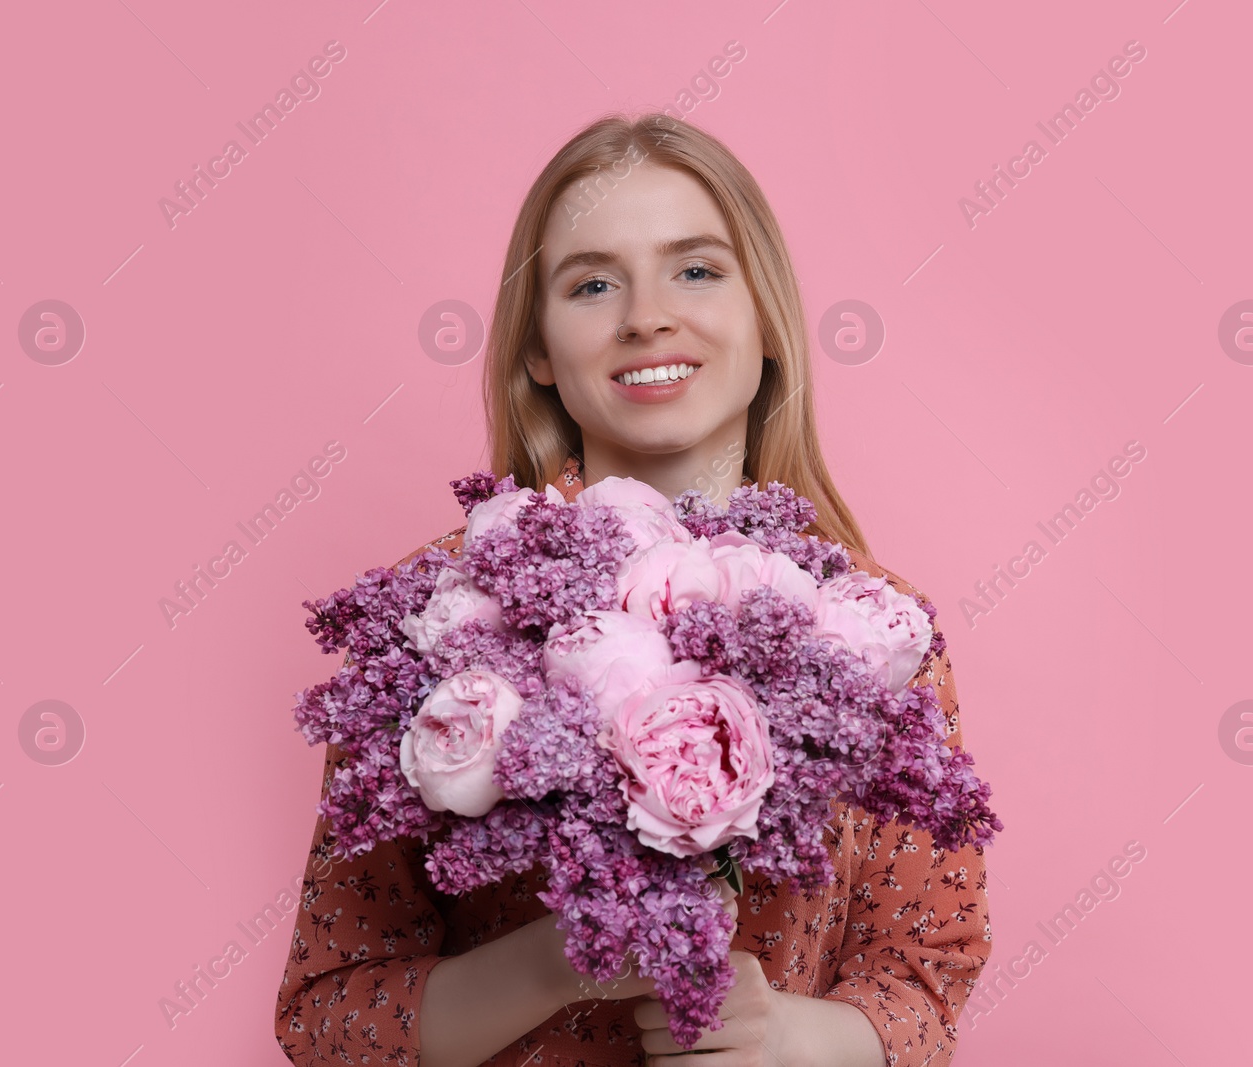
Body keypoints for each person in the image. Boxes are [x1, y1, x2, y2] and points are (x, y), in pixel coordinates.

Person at [274, 112, 993, 1067]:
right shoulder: (441, 616)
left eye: (696, 269)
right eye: (593, 283)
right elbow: (329, 1012)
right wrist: (568, 955)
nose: (647, 314)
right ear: (537, 350)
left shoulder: (875, 626)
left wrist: (785, 1039)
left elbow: (922, 982)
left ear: (768, 317)